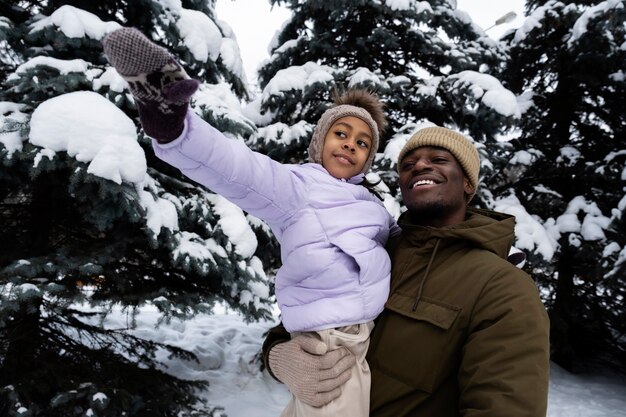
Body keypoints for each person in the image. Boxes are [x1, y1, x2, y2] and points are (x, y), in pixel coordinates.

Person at [102, 28, 399, 417]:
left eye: (362, 143)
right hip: (328, 348)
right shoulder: (296, 188)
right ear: (319, 143)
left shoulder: (373, 205)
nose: (350, 144)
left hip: (365, 340)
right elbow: (238, 169)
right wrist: (174, 127)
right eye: (340, 134)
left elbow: (412, 243)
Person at [262, 126, 551, 416]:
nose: (420, 166)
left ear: (468, 184)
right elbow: (302, 316)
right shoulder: (371, 249)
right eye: (408, 165)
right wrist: (281, 359)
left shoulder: (502, 286)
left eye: (438, 159)